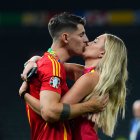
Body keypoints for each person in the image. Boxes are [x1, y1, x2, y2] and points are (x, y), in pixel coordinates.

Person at [20, 33, 128, 139]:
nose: (88, 42)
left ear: (102, 53)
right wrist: (32, 60)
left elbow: (53, 112)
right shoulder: (85, 73)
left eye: (95, 41)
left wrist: (24, 94)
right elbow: (47, 62)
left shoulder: (90, 78)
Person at [19, 12, 108, 140]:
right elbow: (50, 112)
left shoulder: (53, 65)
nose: (86, 39)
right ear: (65, 38)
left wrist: (33, 60)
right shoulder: (52, 66)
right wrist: (89, 106)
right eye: (81, 34)